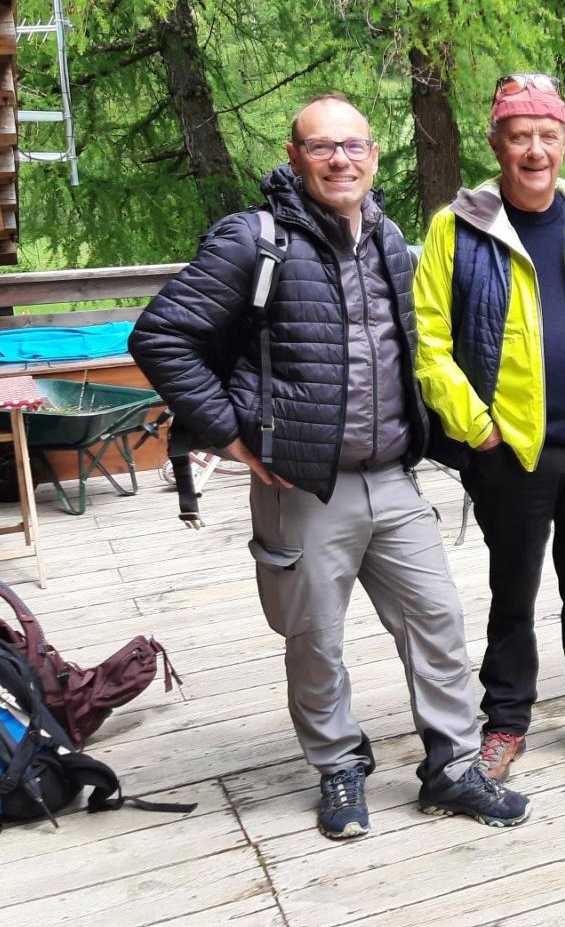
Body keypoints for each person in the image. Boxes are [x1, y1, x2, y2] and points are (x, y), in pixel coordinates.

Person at [129, 93, 529, 839]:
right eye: (322, 147)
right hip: (302, 485)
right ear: (295, 157)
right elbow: (161, 335)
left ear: (374, 157)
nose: (341, 160)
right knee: (316, 637)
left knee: (438, 619)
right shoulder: (254, 241)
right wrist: (231, 436)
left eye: (354, 146)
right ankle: (339, 768)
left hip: (392, 476)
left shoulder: (389, 235)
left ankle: (451, 768)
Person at [414, 74, 565, 781]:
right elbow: (428, 339)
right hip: (509, 451)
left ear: (562, 141)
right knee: (512, 589)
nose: (534, 150)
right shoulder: (456, 227)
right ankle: (508, 719)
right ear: (497, 143)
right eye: (519, 136)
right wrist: (475, 425)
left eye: (547, 136)